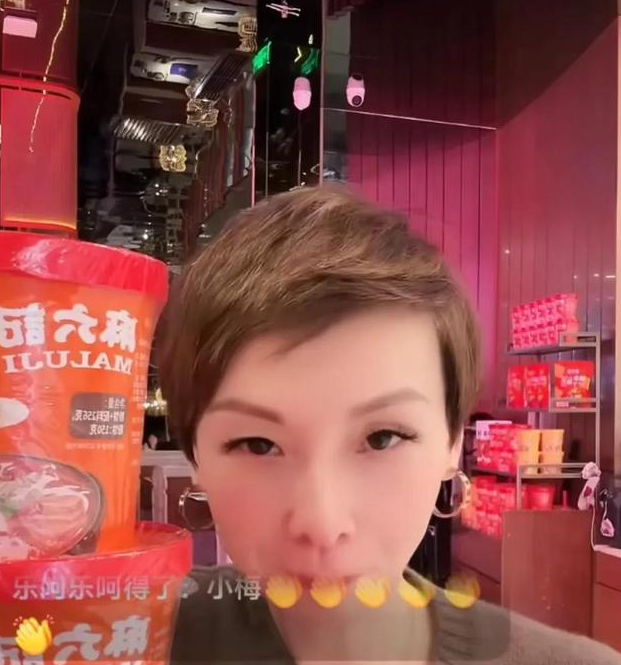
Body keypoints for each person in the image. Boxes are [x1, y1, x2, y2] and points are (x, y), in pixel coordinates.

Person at [158, 187, 621, 664]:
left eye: (383, 438)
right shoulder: (126, 634)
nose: (323, 524)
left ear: (452, 441)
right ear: (195, 455)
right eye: (258, 444)